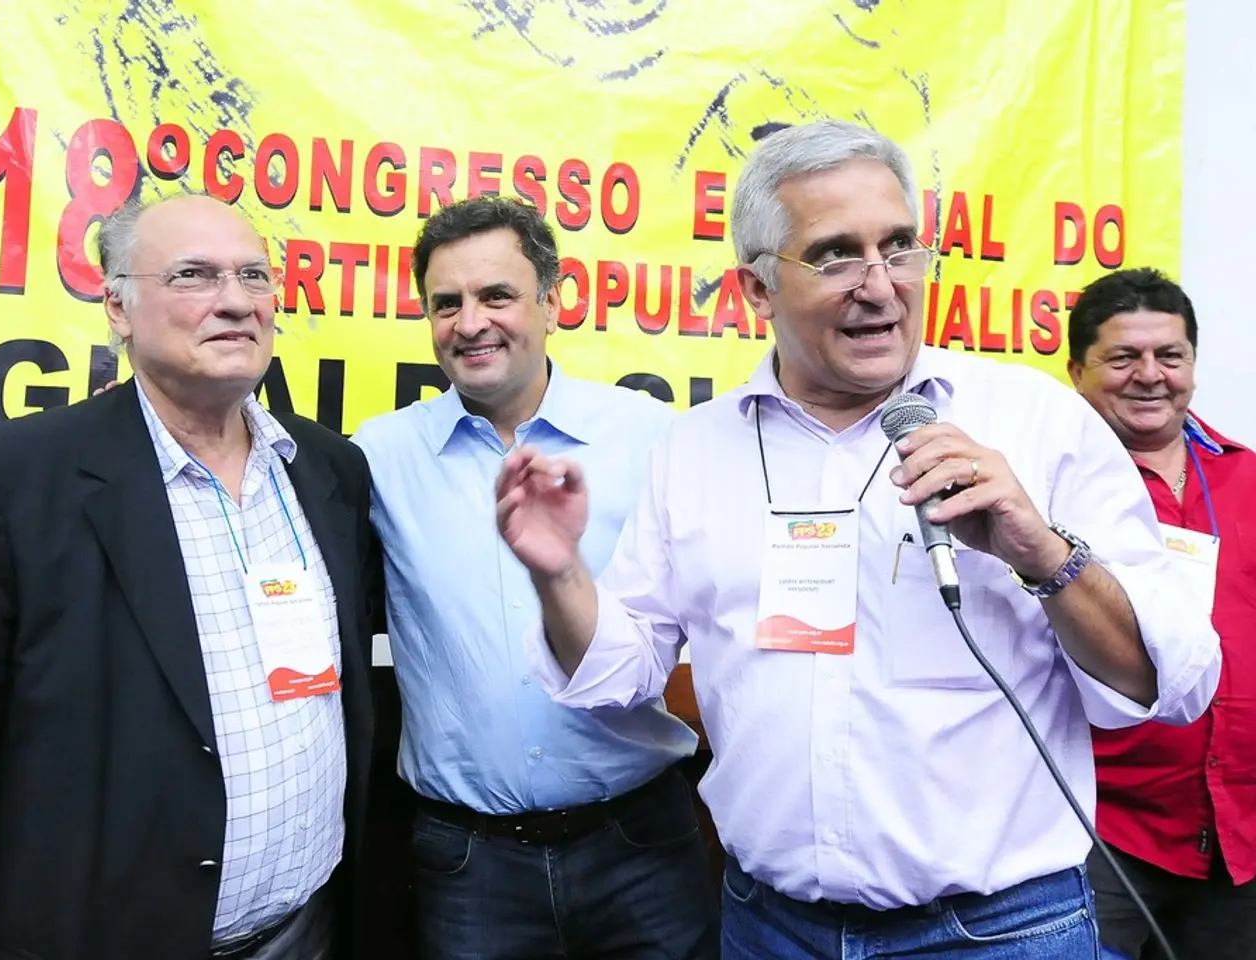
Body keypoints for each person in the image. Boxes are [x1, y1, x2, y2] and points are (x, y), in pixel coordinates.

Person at [494, 119, 1222, 959]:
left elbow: (1174, 680)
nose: (880, 285)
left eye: (900, 245)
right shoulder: (693, 449)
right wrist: (559, 576)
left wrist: (1042, 554)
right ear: (758, 290)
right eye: (836, 254)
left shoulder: (1037, 423)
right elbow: (620, 674)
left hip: (1002, 932)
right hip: (771, 928)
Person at [0, 193, 381, 960]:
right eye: (193, 275)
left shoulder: (329, 468)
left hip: (310, 929)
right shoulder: (14, 480)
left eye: (253, 275)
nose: (235, 301)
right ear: (118, 307)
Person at [351, 196, 719, 960]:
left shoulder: (651, 438)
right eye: (446, 303)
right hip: (469, 865)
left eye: (496, 295)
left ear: (553, 303)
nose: (470, 323)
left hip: (640, 846)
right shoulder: (378, 457)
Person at [1068, 267, 1256, 959]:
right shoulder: (1048, 491)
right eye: (1123, 357)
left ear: (1193, 367)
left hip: (1240, 837)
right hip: (1099, 832)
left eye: (1169, 356)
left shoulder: (1247, 478)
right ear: (1077, 372)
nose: (1150, 376)